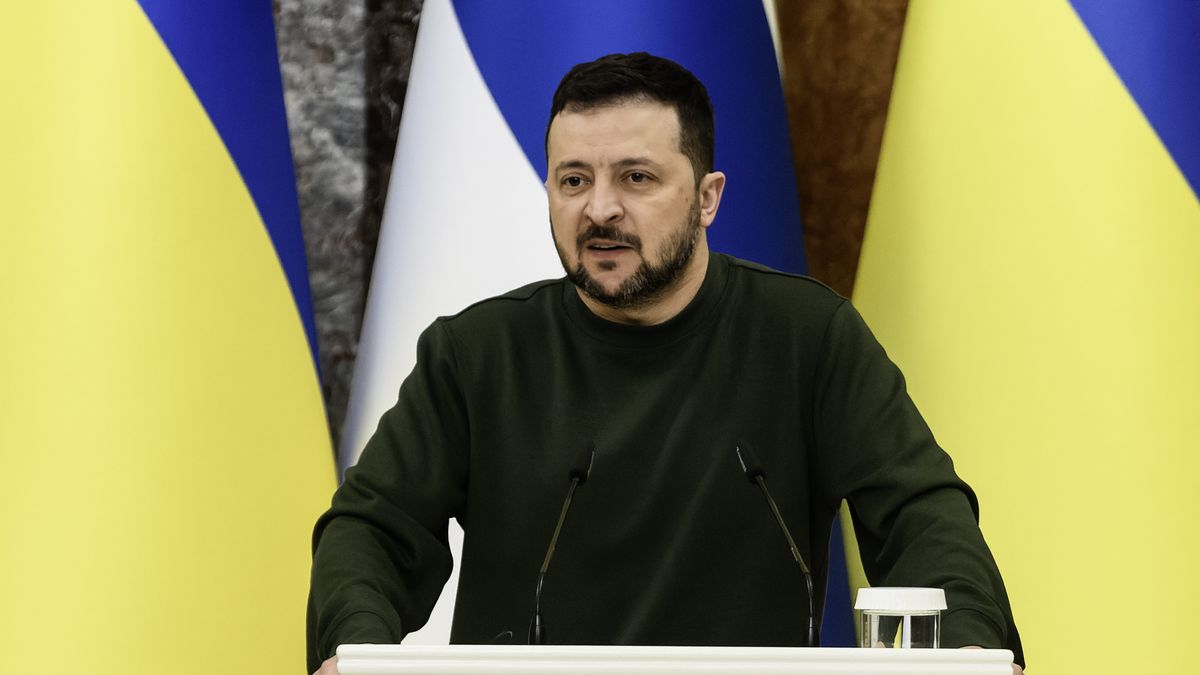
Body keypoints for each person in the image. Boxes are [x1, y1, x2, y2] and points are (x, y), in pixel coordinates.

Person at [308, 52, 1025, 674]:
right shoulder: (476, 354)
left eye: (637, 178)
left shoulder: (807, 337)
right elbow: (371, 531)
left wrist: (966, 646)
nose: (600, 210)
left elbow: (923, 515)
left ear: (708, 198)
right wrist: (356, 644)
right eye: (573, 180)